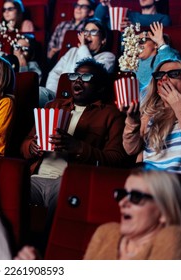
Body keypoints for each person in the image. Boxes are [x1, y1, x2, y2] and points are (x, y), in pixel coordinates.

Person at [22, 59, 129, 245]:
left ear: (100, 88)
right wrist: (31, 146)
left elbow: (117, 160)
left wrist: (79, 147)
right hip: (36, 177)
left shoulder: (111, 115)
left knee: (62, 200)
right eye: (74, 76)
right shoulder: (52, 106)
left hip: (70, 180)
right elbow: (23, 145)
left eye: (86, 77)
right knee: (9, 195)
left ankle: (47, 254)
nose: (78, 81)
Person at [123, 59, 181, 198]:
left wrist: (178, 105)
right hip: (150, 185)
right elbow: (130, 150)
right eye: (160, 75)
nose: (165, 78)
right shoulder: (148, 115)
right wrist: (132, 122)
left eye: (174, 74)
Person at [84, 169, 181, 259]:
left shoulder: (172, 239)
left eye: (136, 197)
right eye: (122, 194)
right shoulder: (105, 233)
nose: (122, 202)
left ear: (164, 212)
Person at [41, 18, 115, 107]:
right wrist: (53, 96)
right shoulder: (73, 51)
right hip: (58, 96)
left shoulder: (108, 57)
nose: (87, 35)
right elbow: (55, 73)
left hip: (83, 100)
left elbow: (89, 73)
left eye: (93, 32)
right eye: (86, 31)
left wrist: (83, 48)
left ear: (103, 39)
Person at [136, 22, 179, 100]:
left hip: (156, 100)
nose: (137, 45)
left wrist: (161, 43)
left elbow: (174, 67)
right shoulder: (133, 61)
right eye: (135, 42)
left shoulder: (166, 55)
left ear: (155, 44)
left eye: (142, 41)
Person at [95, 0, 171, 30]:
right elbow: (97, 21)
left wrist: (135, 28)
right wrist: (104, 4)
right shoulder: (129, 14)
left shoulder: (163, 18)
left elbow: (161, 37)